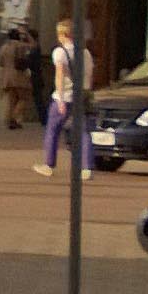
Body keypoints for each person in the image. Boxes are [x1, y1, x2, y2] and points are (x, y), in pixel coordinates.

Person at [35, 18, 92, 179]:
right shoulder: (85, 53)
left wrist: (60, 99)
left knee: (52, 130)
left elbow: (59, 76)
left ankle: (49, 164)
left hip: (65, 96)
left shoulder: (60, 52)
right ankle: (86, 168)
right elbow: (89, 76)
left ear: (64, 35)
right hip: (80, 97)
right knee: (83, 133)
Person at [0, 21, 37, 130]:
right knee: (23, 98)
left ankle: (8, 120)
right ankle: (14, 118)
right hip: (19, 76)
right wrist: (26, 34)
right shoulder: (20, 45)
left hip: (6, 77)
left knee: (11, 101)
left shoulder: (4, 47)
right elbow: (34, 46)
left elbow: (0, 62)